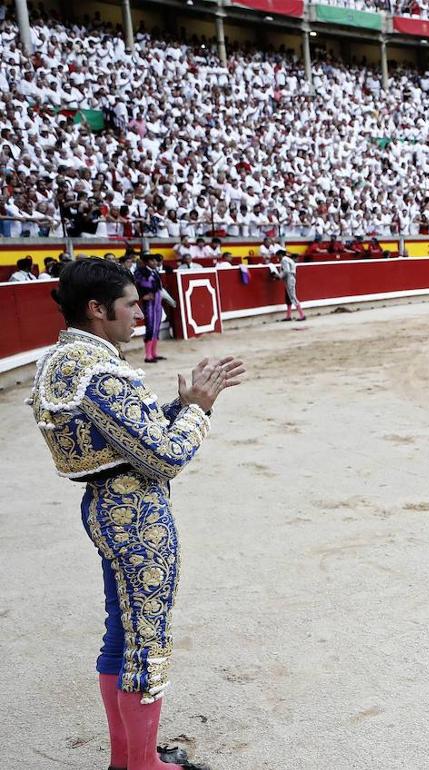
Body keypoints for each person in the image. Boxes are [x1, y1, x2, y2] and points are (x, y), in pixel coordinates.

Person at [28, 257, 243, 770]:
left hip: (103, 504)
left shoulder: (60, 361)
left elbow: (124, 439)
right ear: (97, 309)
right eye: (130, 305)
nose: (140, 314)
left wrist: (179, 406)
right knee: (145, 640)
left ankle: (127, 760)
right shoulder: (99, 372)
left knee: (121, 634)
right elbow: (165, 455)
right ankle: (144, 766)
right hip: (136, 514)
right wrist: (199, 409)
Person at [133, 253, 165, 363]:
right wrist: (143, 295)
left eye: (156, 261)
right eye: (152, 261)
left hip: (157, 301)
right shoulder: (141, 272)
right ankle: (148, 355)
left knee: (156, 326)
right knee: (150, 326)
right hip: (149, 303)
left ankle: (153, 353)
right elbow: (138, 286)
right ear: (146, 262)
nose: (155, 263)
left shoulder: (154, 271)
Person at [275, 249, 306, 322]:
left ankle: (302, 315)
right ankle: (288, 316)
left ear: (281, 255)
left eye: (278, 256)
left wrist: (279, 276)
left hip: (289, 279)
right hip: (290, 278)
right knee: (288, 297)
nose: (277, 258)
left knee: (292, 296)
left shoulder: (284, 260)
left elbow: (286, 271)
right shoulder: (288, 259)